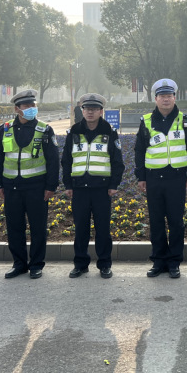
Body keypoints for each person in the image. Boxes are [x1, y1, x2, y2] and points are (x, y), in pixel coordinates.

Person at [134, 78, 187, 278]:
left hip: (177, 179)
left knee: (176, 222)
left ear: (174, 97)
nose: (166, 99)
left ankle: (174, 262)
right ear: (155, 99)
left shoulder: (185, 121)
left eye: (169, 96)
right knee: (156, 222)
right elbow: (139, 151)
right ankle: (158, 261)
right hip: (154, 178)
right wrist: (141, 177)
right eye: (162, 96)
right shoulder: (146, 121)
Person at [0, 89, 59, 280]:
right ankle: (19, 264)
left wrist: (51, 186)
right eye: (27, 106)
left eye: (33, 105)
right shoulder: (5, 129)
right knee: (14, 227)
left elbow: (53, 160)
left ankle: (36, 265)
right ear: (17, 109)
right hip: (11, 187)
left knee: (38, 228)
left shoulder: (45, 129)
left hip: (37, 187)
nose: (31, 108)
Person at [62, 93, 125, 279]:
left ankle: (104, 264)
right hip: (79, 188)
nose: (90, 112)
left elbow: (117, 161)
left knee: (103, 229)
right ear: (82, 110)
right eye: (87, 109)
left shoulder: (110, 132)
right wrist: (68, 184)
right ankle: (80, 264)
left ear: (101, 111)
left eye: (94, 109)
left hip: (102, 189)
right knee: (80, 229)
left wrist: (114, 184)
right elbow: (66, 160)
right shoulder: (74, 132)